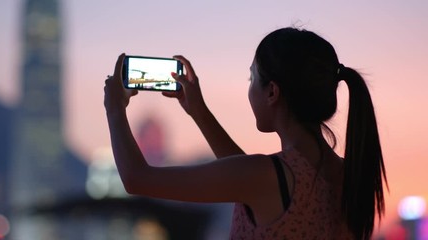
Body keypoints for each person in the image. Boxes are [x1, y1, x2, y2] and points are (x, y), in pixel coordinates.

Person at [104, 27, 388, 239]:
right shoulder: (346, 175)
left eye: (252, 77)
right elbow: (245, 179)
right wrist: (198, 111)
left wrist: (115, 109)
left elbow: (136, 179)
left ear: (272, 92)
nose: (249, 87)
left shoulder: (266, 176)